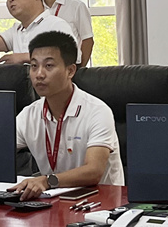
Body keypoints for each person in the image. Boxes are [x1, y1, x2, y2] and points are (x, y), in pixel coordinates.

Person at [8, 31, 124, 200]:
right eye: (34, 66)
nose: (39, 74)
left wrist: (47, 181)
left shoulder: (97, 111)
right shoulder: (29, 114)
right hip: (52, 201)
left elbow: (94, 171)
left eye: (49, 66)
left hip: (100, 203)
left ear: (70, 71)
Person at [39, 0, 94, 66]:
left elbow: (87, 40)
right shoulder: (36, 8)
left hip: (68, 65)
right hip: (42, 65)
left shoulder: (76, 6)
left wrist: (80, 69)